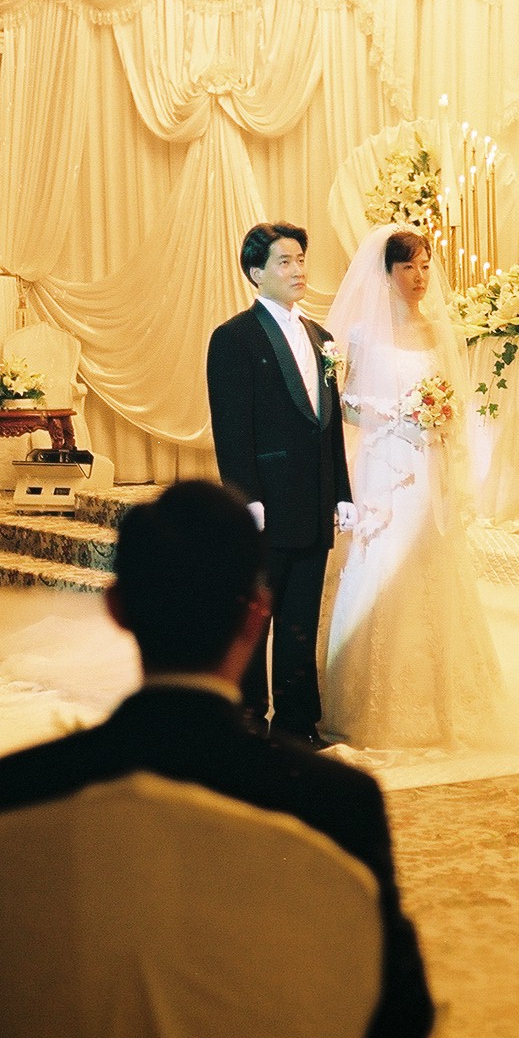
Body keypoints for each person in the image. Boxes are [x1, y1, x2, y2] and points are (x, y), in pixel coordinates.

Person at [0, 481, 435, 1038]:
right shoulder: (335, 802)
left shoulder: (11, 792)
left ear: (116, 608)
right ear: (257, 615)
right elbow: (398, 1024)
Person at [321, 226, 507, 750]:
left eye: (425, 266)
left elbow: (454, 399)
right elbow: (343, 405)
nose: (420, 277)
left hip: (429, 464)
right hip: (384, 466)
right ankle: (368, 700)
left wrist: (439, 416)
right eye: (408, 267)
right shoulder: (362, 334)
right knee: (380, 566)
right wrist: (394, 413)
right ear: (387, 273)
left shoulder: (438, 332)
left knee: (433, 563)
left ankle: (447, 698)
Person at [205, 222, 353, 745]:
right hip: (266, 502)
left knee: (300, 620)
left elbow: (329, 425)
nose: (298, 271)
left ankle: (296, 723)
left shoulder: (322, 338)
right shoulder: (234, 338)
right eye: (284, 262)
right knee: (255, 620)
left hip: (314, 501)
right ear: (256, 272)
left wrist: (342, 492)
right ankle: (246, 719)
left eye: (300, 260)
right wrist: (246, 499)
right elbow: (231, 428)